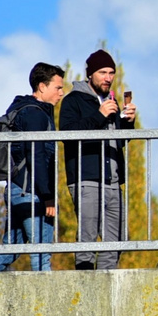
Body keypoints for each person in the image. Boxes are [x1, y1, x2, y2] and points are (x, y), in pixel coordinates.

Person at [59, 49, 139, 271]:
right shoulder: (73, 100)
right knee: (87, 238)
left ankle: (106, 284)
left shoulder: (110, 101)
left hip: (113, 182)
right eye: (103, 72)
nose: (108, 77)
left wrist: (127, 123)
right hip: (87, 180)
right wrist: (99, 115)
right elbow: (67, 133)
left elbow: (118, 143)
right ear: (90, 74)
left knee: (115, 241)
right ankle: (85, 287)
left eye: (111, 72)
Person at [0, 62, 63, 272]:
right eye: (57, 87)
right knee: (41, 255)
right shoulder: (35, 114)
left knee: (9, 251)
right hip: (31, 193)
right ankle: (48, 303)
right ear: (42, 86)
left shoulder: (27, 110)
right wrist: (47, 195)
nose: (61, 92)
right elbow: (36, 155)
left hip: (18, 190)